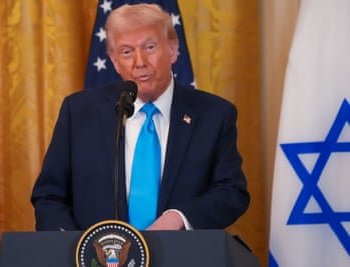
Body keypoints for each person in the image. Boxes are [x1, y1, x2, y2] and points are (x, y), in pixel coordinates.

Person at [31, 3, 249, 231]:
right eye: (126, 52)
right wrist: (76, 248)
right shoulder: (79, 112)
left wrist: (179, 218)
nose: (140, 62)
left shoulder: (214, 115)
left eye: (150, 47)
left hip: (182, 256)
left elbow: (231, 191)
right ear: (114, 61)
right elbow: (49, 196)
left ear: (173, 50)